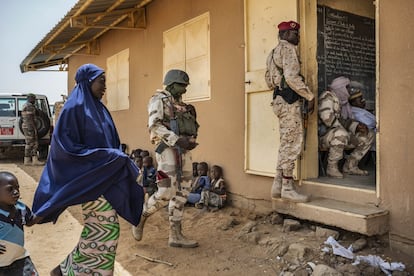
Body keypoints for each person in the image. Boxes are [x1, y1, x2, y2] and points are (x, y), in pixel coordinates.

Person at [31, 64, 145, 275]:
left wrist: (114, 159)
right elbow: (66, 149)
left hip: (106, 178)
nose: (105, 87)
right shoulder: (73, 109)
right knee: (107, 231)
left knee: (102, 229)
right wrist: (108, 157)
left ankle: (65, 270)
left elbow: (111, 143)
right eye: (101, 81)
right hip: (90, 180)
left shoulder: (100, 109)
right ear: (88, 81)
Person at [132, 69, 199, 248]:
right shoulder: (158, 99)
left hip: (183, 150)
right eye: (181, 86)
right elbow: (154, 125)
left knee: (183, 191)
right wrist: (177, 140)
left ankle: (175, 235)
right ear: (171, 84)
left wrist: (190, 139)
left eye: (185, 86)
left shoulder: (180, 104)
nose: (184, 90)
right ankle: (141, 217)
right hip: (167, 150)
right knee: (166, 192)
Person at [265, 20, 315, 202]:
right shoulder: (288, 50)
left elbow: (268, 81)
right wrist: (309, 96)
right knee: (292, 142)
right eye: (295, 34)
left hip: (278, 101)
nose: (298, 37)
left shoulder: (272, 53)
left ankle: (277, 185)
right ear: (285, 35)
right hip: (289, 101)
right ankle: (287, 186)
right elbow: (292, 77)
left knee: (285, 141)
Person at [318, 76, 375, 178]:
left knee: (368, 134)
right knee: (341, 133)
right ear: (340, 87)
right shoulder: (328, 96)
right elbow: (328, 120)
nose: (348, 90)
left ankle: (350, 166)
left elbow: (343, 120)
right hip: (323, 137)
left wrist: (357, 126)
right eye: (347, 87)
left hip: (337, 134)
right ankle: (332, 167)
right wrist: (348, 129)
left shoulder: (342, 101)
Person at [0, 171, 40, 275]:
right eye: (10, 189)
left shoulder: (21, 208)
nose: (16, 192)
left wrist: (48, 208)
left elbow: (30, 221)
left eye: (17, 188)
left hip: (19, 257)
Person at [21, 93, 44, 166]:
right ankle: (34, 160)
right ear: (30, 98)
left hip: (25, 126)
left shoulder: (24, 105)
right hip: (30, 126)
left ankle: (27, 160)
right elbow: (31, 119)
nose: (34, 100)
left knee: (29, 143)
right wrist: (34, 128)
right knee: (33, 143)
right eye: (33, 99)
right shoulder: (30, 106)